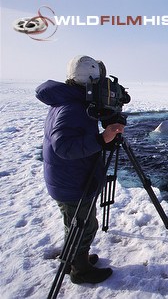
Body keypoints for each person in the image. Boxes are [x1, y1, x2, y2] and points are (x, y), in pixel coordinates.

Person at [36, 55, 125, 284]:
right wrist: (102, 138)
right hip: (72, 182)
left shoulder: (73, 102)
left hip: (69, 177)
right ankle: (81, 270)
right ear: (91, 81)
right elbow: (63, 146)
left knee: (75, 224)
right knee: (83, 225)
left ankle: (72, 259)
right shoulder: (72, 108)